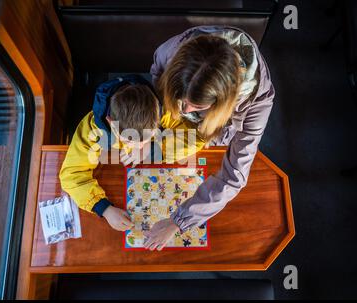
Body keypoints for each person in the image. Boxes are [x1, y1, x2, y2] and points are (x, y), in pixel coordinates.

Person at [144, 26, 275, 250]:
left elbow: (233, 177)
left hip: (209, 135)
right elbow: (157, 69)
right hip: (180, 124)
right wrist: (150, 120)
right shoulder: (174, 49)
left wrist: (178, 221)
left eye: (196, 106)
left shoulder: (257, 104)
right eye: (181, 98)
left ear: (223, 103)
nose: (184, 110)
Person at [60, 74, 161, 232]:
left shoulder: (157, 108)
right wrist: (104, 209)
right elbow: (72, 175)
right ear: (111, 123)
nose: (138, 146)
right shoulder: (92, 131)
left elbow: (189, 137)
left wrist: (150, 146)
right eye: (130, 141)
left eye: (149, 136)